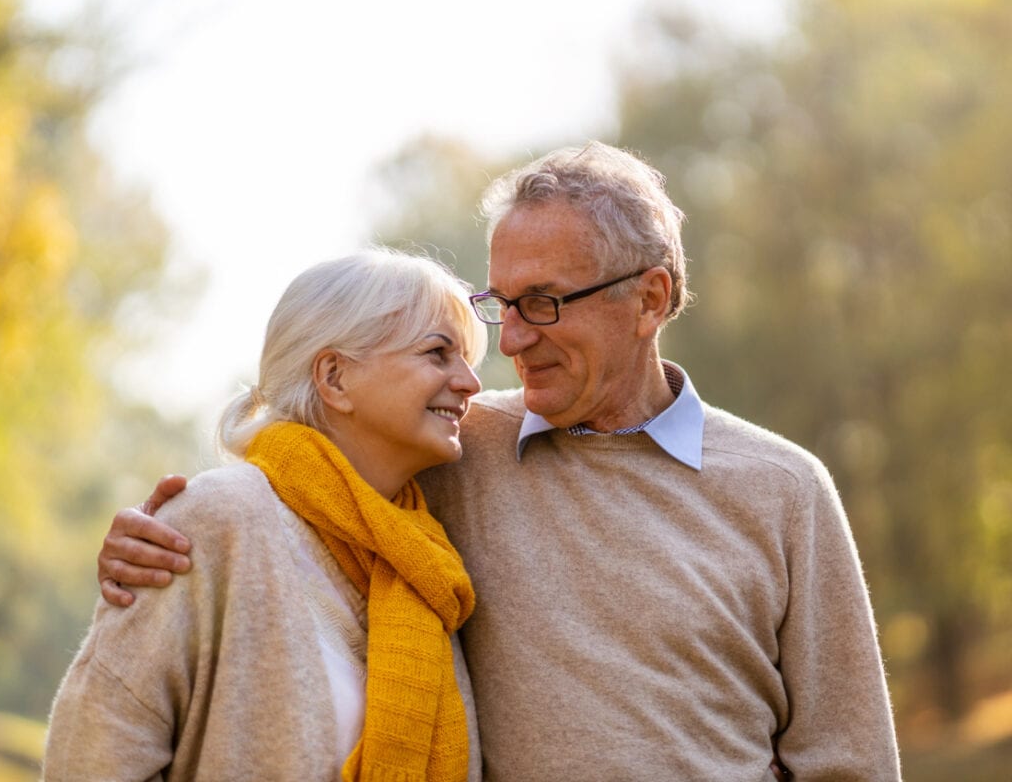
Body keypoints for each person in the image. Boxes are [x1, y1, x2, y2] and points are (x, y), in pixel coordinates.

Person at [97, 142, 902, 780]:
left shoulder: (784, 489)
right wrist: (155, 540)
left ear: (651, 298)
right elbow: (304, 463)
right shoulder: (451, 447)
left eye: (545, 302)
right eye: (502, 303)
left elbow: (850, 762)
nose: (511, 340)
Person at [45, 249, 487, 781]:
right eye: (438, 354)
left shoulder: (425, 561)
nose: (470, 383)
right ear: (334, 377)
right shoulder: (216, 519)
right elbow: (94, 753)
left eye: (467, 360)